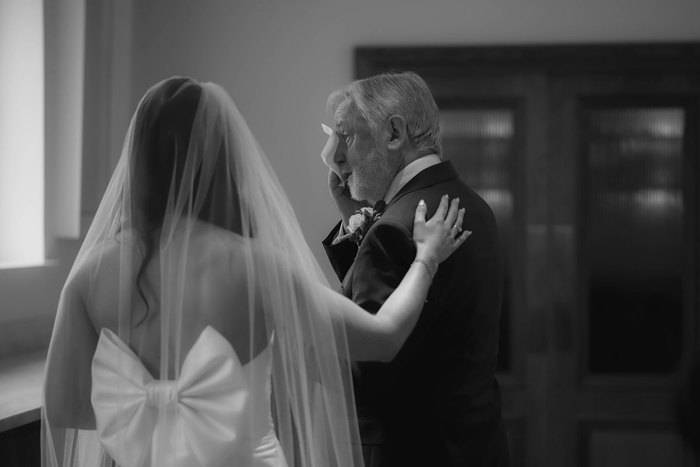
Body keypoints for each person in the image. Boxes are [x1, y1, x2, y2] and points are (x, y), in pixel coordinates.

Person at [41, 76, 469, 467]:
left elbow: (62, 407)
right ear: (223, 157)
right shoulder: (254, 266)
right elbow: (384, 337)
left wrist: (151, 418)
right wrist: (426, 258)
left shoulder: (87, 278)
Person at [322, 71, 510, 466]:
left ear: (393, 134)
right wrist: (358, 223)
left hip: (410, 450)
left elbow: (368, 371)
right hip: (476, 445)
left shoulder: (394, 227)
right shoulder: (476, 206)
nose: (336, 156)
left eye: (346, 136)